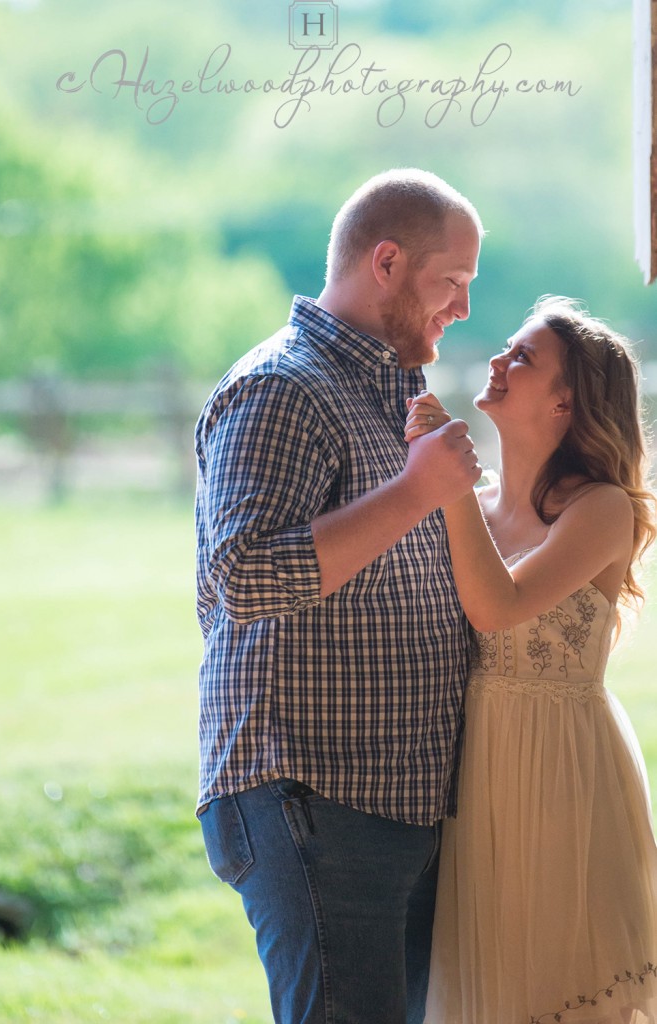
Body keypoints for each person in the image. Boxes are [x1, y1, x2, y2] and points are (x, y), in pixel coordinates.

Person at [193, 168, 483, 1024]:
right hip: (315, 794)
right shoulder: (283, 386)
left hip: (395, 795)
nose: (462, 308)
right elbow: (237, 577)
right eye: (452, 283)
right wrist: (415, 493)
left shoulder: (391, 392)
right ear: (386, 261)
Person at [405, 296, 657, 1024]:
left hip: (566, 774)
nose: (497, 361)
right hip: (475, 772)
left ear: (565, 402)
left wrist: (443, 486)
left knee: (561, 990)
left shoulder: (605, 509)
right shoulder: (473, 506)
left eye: (522, 357)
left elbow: (498, 606)